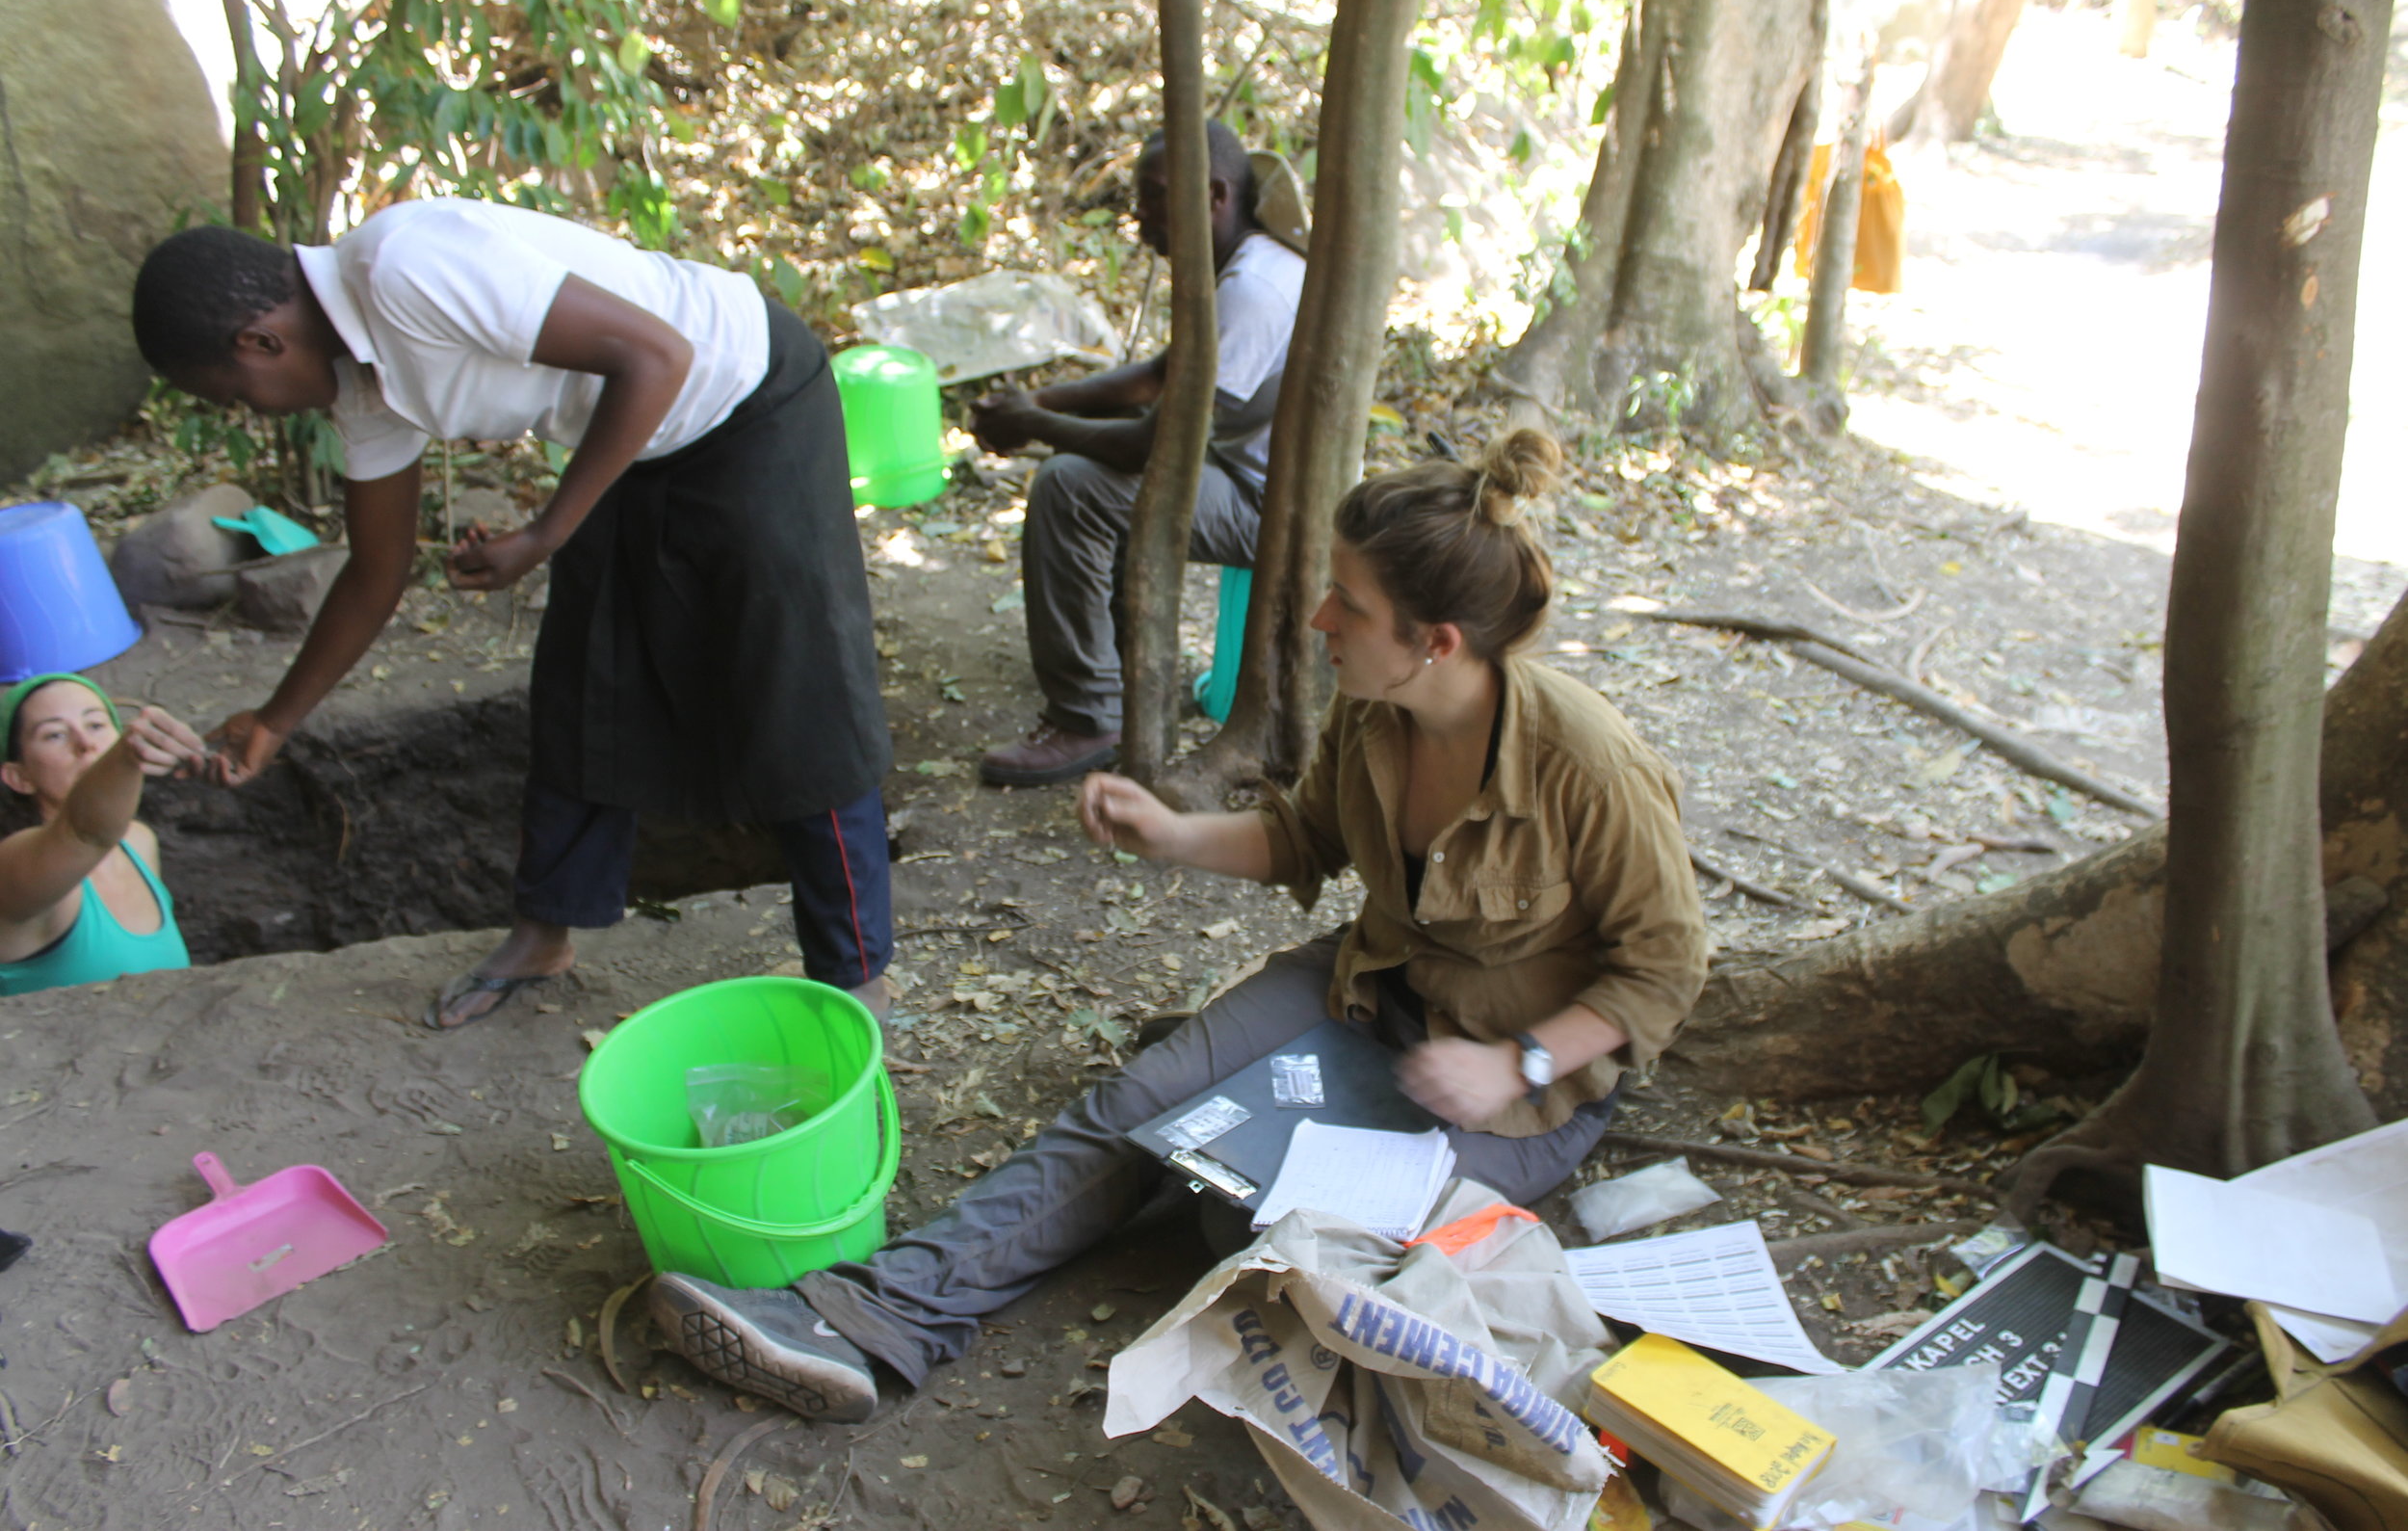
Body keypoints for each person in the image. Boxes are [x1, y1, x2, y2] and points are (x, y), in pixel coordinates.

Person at [647, 429, 1709, 1423]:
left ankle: (1210, 1179)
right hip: (1372, 987)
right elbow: (1300, 839)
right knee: (1135, 1106)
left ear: (1433, 642)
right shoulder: (1375, 708)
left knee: (1263, 1228)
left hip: (1521, 1091)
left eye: (1347, 603)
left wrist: (1514, 1064)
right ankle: (871, 1314)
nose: (1318, 621)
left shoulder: (1584, 763)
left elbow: (1662, 970)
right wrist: (1170, 832)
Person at [129, 202, 895, 1028]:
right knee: (585, 677)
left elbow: (657, 354)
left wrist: (543, 533)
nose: (255, 411)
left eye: (235, 393)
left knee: (793, 686)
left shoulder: (403, 269)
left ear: (260, 342)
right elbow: (378, 570)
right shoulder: (360, 382)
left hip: (748, 397)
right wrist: (276, 720)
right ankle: (544, 933)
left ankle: (855, 978)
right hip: (638, 433)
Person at [971, 120, 1305, 786]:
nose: (1138, 213)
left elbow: (1157, 443)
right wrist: (1046, 400)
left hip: (1271, 503)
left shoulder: (1252, 290)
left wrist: (1034, 424)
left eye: (1153, 196)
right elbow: (1162, 373)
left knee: (1070, 486)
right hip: (1239, 473)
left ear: (1212, 195)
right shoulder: (1240, 263)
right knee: (1094, 459)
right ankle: (1124, 679)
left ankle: (1086, 714)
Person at [1, 673, 210, 997]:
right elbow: (84, 833)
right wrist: (126, 757)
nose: (86, 744)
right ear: (19, 777)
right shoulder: (13, 867)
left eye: (96, 725)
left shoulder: (139, 842)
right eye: (55, 735)